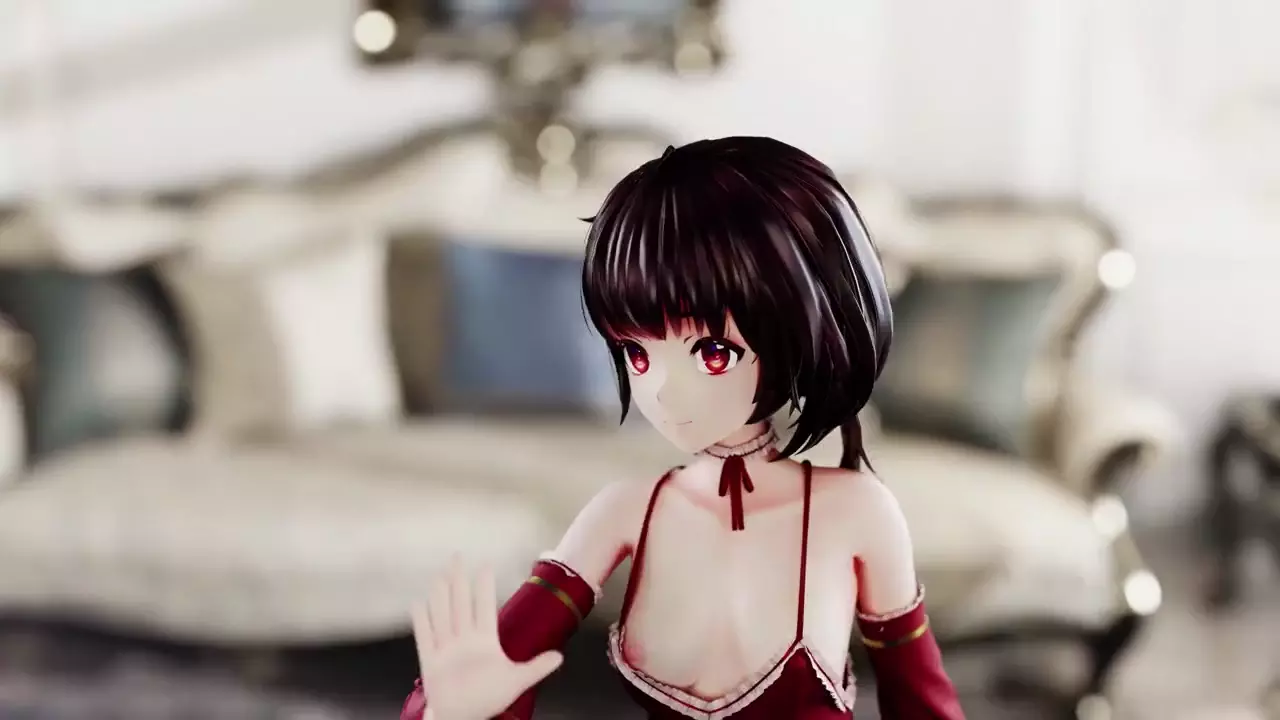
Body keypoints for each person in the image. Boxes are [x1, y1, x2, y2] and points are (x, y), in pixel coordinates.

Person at [401, 137, 965, 719]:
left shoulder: (859, 512)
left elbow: (924, 708)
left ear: (800, 327)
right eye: (637, 353)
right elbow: (492, 673)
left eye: (712, 352)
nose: (663, 390)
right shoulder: (624, 512)